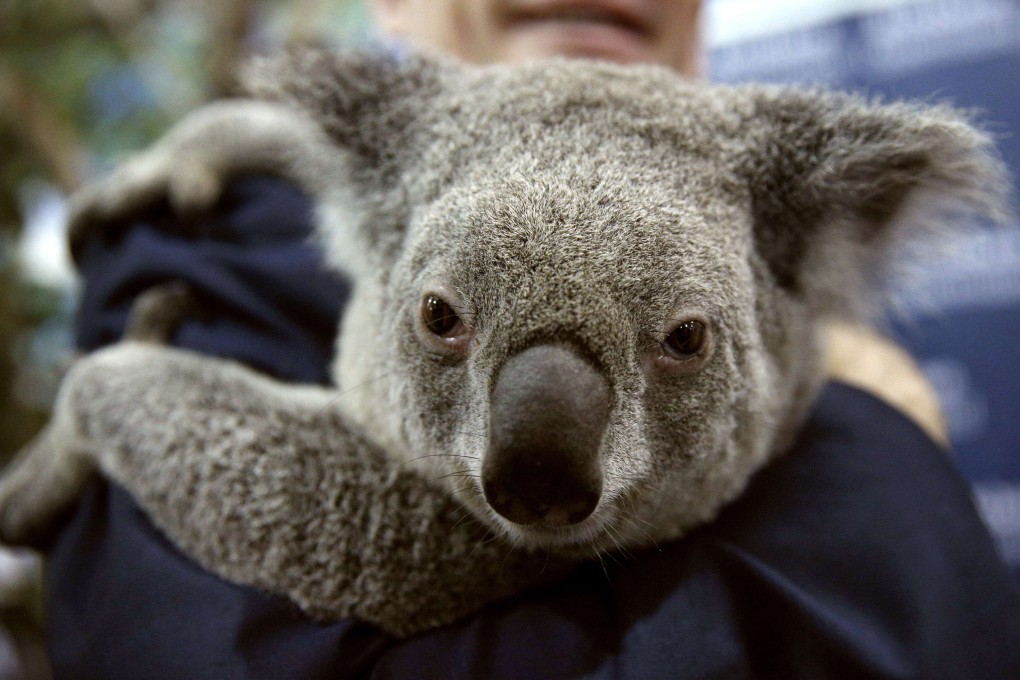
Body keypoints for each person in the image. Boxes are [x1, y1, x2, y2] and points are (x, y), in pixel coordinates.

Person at [44, 1, 1020, 678]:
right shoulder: (211, 245)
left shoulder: (776, 257)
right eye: (438, 317)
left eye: (683, 338)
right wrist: (885, 442)